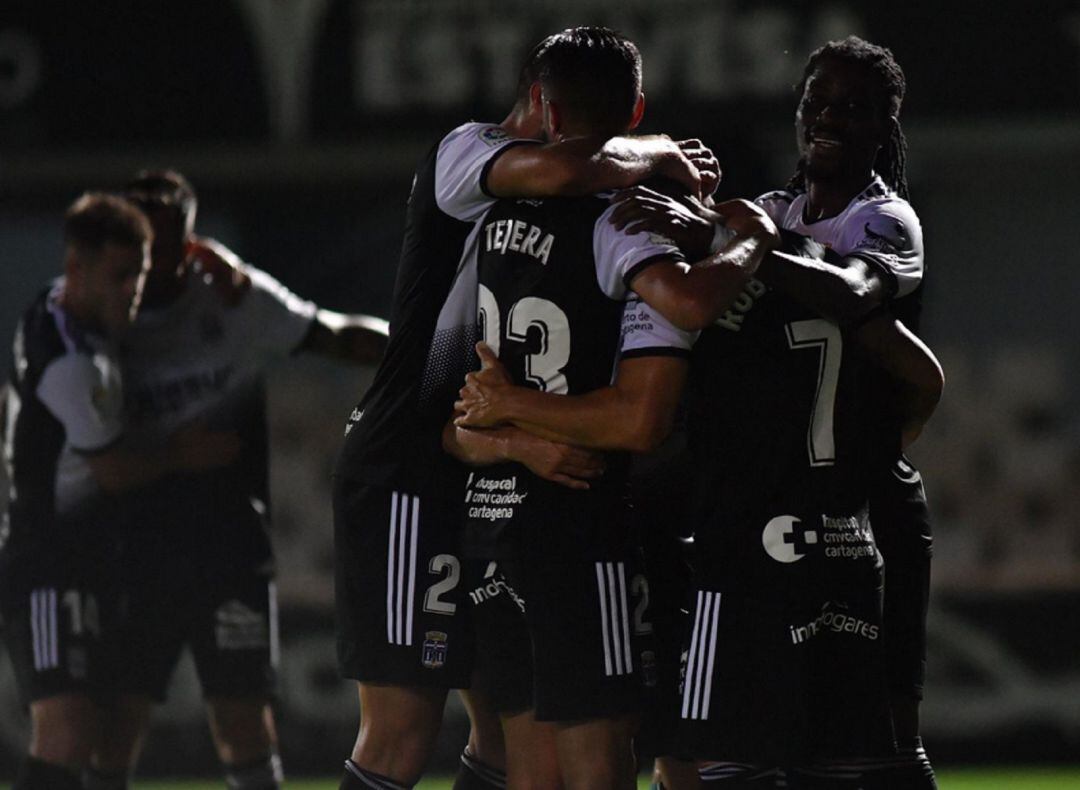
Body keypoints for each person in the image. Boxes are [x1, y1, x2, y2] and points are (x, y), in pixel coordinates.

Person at [331, 25, 716, 790]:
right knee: (403, 731)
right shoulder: (465, 152)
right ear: (542, 101)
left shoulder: (590, 203)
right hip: (409, 461)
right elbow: (560, 169)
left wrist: (519, 441)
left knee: (509, 741)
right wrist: (666, 155)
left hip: (483, 462)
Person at [609, 34, 937, 788]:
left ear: (885, 125)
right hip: (758, 507)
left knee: (878, 741)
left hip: (860, 513)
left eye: (852, 107)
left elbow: (856, 295)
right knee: (721, 748)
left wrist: (739, 242)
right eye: (815, 101)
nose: (827, 118)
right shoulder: (767, 213)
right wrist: (723, 236)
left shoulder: (883, 221)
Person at [81, 170, 389, 790]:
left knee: (242, 719)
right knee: (114, 722)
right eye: (143, 245)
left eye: (168, 244)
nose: (156, 260)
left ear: (191, 242)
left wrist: (430, 350)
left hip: (228, 552)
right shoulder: (92, 319)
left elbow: (329, 334)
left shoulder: (233, 300)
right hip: (129, 553)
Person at [0, 193, 239, 790]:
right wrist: (180, 454)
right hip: (47, 560)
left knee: (102, 729)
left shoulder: (59, 311)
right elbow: (110, 472)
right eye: (120, 274)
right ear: (77, 269)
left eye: (139, 271)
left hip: (86, 557)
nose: (133, 288)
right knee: (66, 728)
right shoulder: (71, 362)